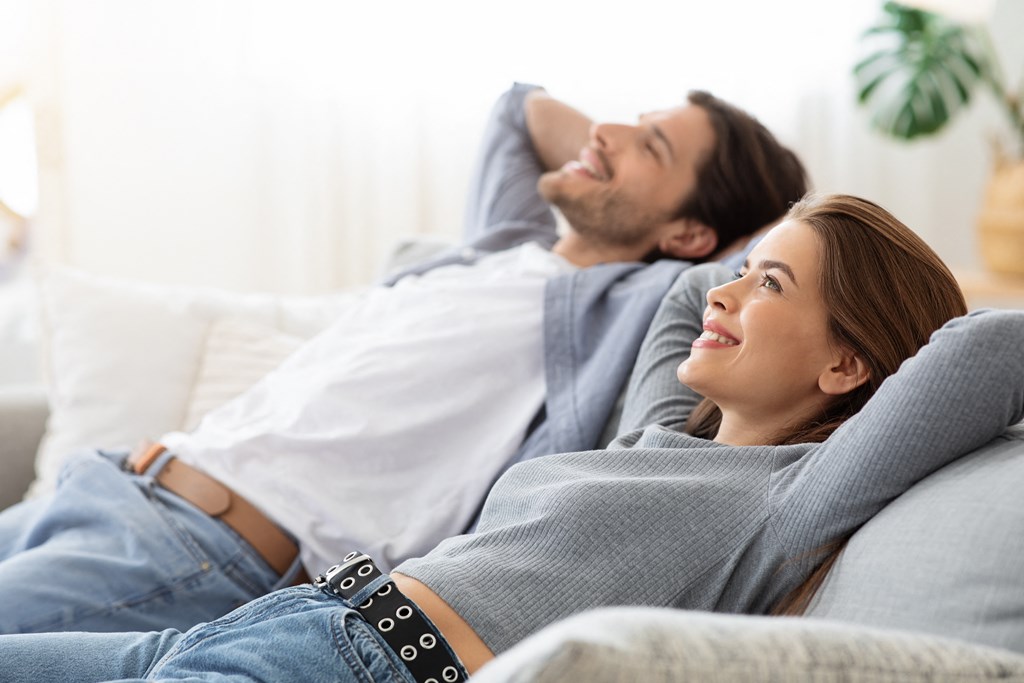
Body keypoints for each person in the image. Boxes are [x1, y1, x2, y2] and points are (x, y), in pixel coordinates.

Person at [5, 193, 1019, 683]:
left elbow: (985, 351)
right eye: (743, 266)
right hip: (274, 624)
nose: (725, 290)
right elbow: (679, 290)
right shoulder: (655, 437)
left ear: (847, 369)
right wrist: (784, 245)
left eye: (771, 286)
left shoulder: (789, 494)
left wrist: (852, 257)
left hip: (354, 667)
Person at [0, 82, 809, 635]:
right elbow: (516, 108)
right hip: (112, 482)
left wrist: (717, 221)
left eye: (652, 146)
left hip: (199, 548)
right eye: (628, 121)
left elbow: (795, 247)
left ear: (692, 238)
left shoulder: (619, 308)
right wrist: (622, 157)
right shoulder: (501, 249)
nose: (607, 131)